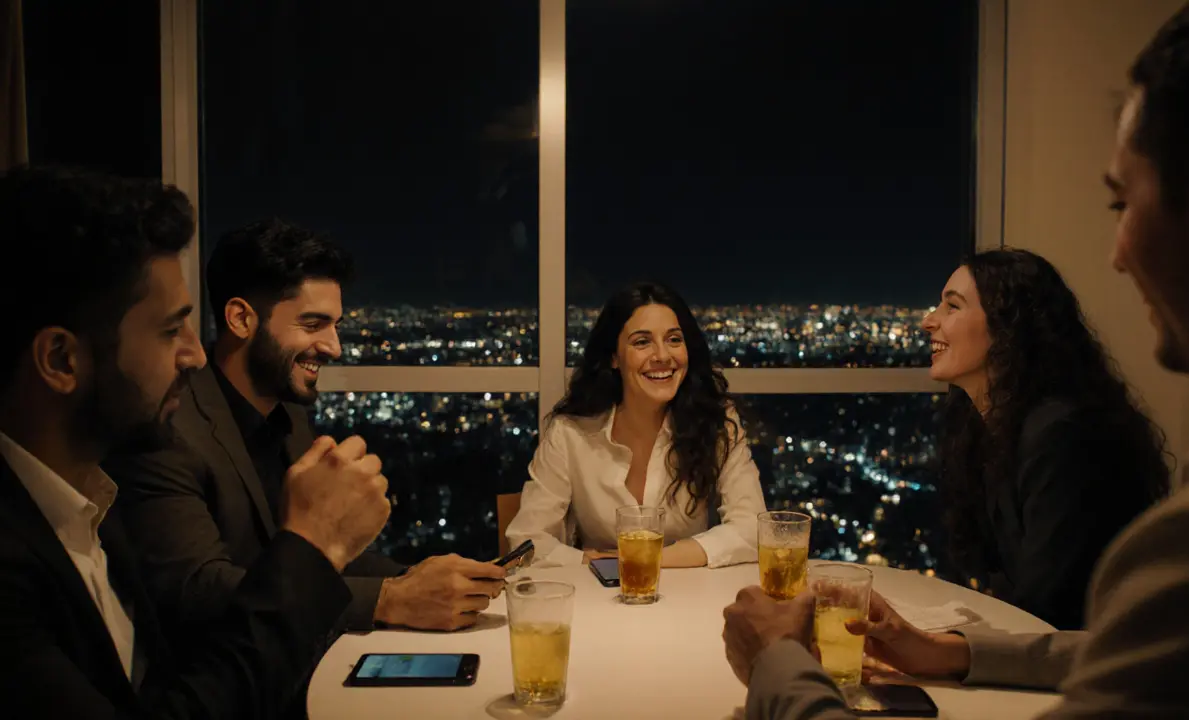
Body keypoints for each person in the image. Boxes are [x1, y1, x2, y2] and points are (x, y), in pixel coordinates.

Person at [722, 0, 1189, 716]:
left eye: (1120, 204)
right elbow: (1115, 645)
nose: (1115, 256)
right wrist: (952, 651)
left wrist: (776, 665)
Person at [0, 164, 391, 717]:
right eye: (168, 331)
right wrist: (316, 548)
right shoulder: (17, 570)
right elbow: (198, 603)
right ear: (63, 360)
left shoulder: (91, 504)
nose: (196, 354)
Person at [105, 219, 506, 639]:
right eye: (313, 325)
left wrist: (417, 577)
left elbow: (323, 554)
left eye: (334, 325)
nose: (334, 346)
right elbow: (198, 590)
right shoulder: (168, 429)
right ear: (241, 319)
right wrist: (389, 600)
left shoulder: (288, 413)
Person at [923, 248, 1168, 630]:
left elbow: (1050, 609)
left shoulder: (1064, 435)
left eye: (951, 307)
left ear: (1007, 326)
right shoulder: (985, 426)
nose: (929, 322)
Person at [506, 282, 766, 568]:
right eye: (642, 342)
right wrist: (587, 562)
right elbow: (526, 540)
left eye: (674, 340)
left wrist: (641, 560)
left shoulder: (717, 422)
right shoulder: (570, 432)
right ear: (614, 357)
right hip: (599, 601)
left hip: (692, 602)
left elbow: (752, 529)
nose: (663, 356)